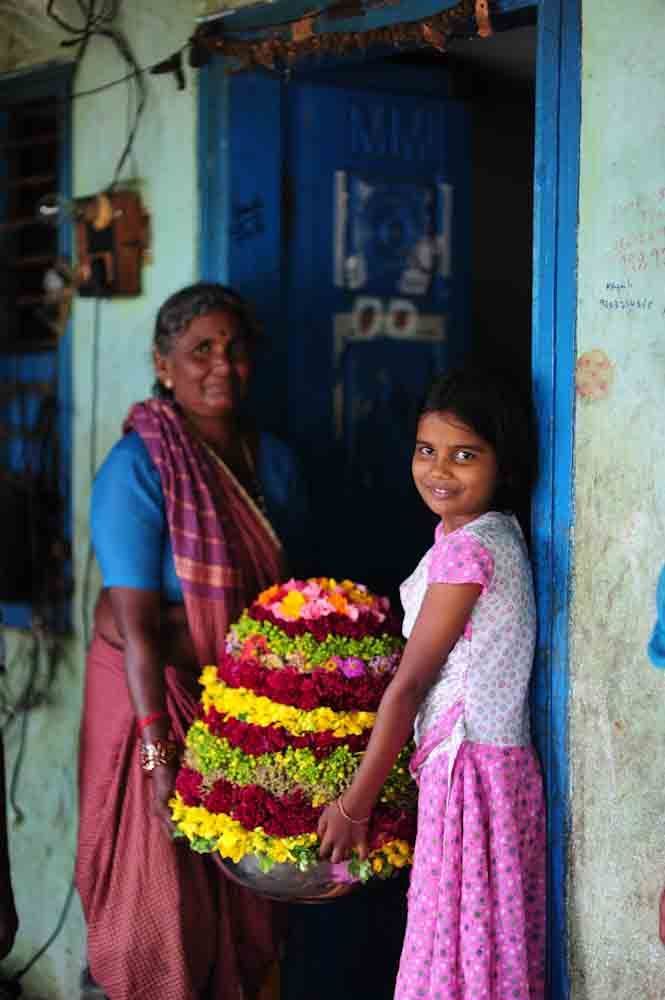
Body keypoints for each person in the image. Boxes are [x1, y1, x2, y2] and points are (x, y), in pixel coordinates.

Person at [75, 283, 309, 1000]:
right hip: (155, 700)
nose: (220, 366)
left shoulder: (272, 462)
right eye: (199, 349)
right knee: (162, 908)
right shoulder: (138, 467)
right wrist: (157, 756)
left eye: (234, 349)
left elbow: (282, 603)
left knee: (249, 908)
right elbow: (139, 628)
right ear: (163, 363)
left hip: (242, 708)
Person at [318, 367, 546, 999]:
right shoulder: (484, 535)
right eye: (427, 451)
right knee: (473, 948)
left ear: (504, 463)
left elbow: (411, 684)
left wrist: (353, 804)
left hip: (471, 775)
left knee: (461, 954)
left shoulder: (467, 551)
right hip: (481, 772)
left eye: (464, 455)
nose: (440, 470)